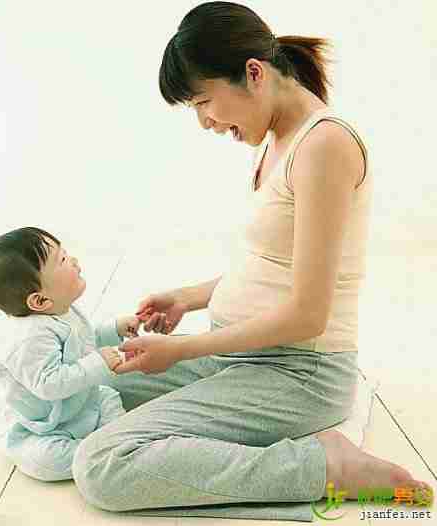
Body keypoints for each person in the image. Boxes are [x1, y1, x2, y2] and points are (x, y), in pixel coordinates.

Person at [70, 1, 432, 517]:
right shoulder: (278, 138)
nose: (205, 122)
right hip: (238, 358)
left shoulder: (324, 145)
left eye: (203, 102)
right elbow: (273, 266)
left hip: (298, 375)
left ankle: (325, 467)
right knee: (84, 386)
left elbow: (308, 315)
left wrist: (184, 349)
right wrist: (188, 298)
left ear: (254, 74)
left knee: (102, 465)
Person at [0, 227, 141, 482]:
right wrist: (99, 363)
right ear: (40, 301)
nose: (73, 260)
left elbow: (82, 344)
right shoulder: (29, 338)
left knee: (108, 396)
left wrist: (114, 330)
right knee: (44, 459)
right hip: (45, 426)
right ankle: (92, 453)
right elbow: (49, 384)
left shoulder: (62, 311)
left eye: (66, 253)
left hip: (81, 404)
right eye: (62, 260)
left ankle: (113, 440)